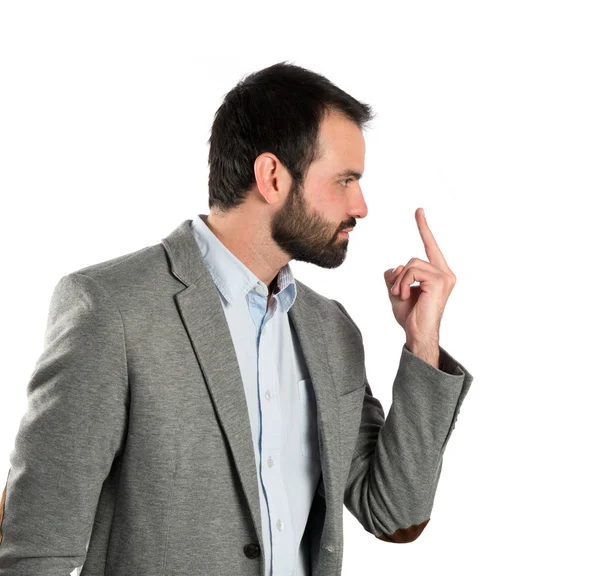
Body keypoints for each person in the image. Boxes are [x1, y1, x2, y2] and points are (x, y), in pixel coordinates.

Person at [0, 61, 473, 576]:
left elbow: (394, 513)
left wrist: (422, 341)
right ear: (272, 176)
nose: (361, 205)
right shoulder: (112, 310)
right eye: (344, 181)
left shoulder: (330, 329)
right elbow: (33, 550)